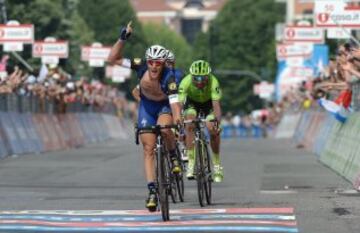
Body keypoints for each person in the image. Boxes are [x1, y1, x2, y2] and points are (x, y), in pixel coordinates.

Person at [108, 22, 183, 211]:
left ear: (164, 63)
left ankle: (173, 155)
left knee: (166, 129)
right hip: (147, 108)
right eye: (151, 62)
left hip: (164, 106)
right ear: (147, 61)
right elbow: (113, 59)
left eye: (158, 63)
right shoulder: (140, 65)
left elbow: (174, 103)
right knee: (148, 148)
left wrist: (178, 119)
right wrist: (123, 38)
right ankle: (152, 190)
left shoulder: (170, 77)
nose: (154, 66)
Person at [178, 60, 224, 182]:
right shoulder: (185, 82)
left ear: (208, 77)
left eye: (203, 78)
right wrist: (179, 120)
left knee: (212, 128)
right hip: (192, 104)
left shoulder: (214, 82)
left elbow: (216, 106)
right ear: (191, 76)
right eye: (196, 78)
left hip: (209, 105)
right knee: (190, 123)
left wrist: (217, 123)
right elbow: (179, 105)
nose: (199, 82)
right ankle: (191, 163)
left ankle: (217, 165)